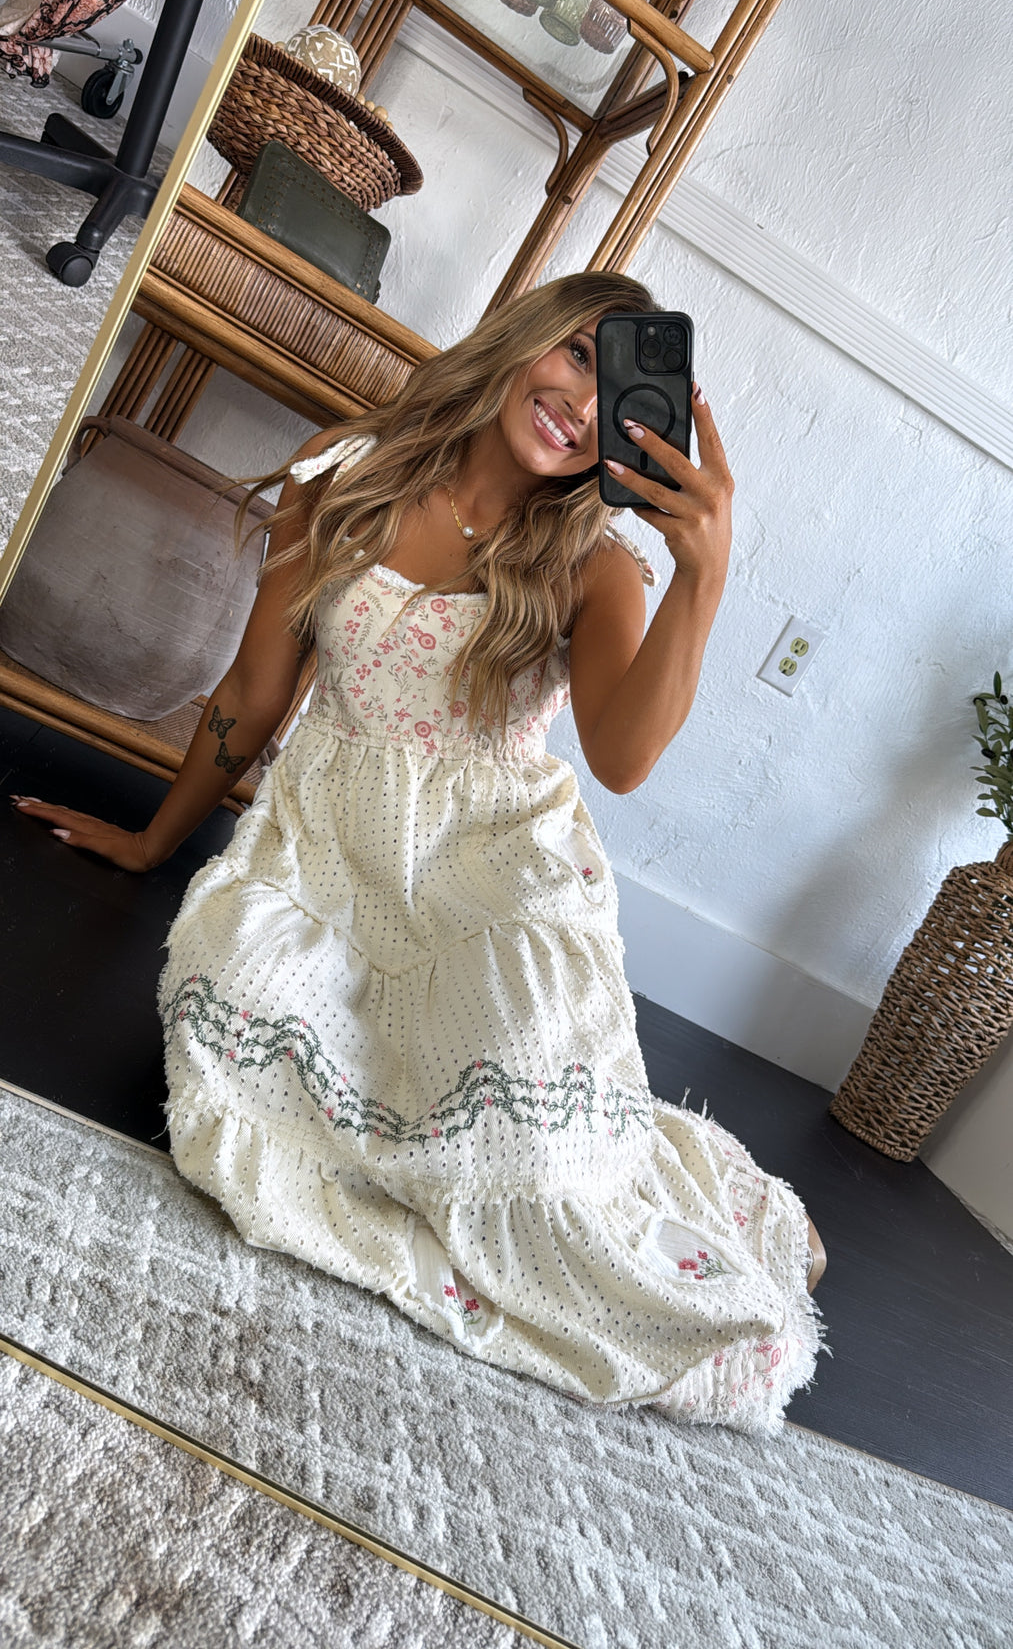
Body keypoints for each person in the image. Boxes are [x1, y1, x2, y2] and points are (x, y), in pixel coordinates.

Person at [13, 272, 825, 1433]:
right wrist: (154, 839)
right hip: (327, 862)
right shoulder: (342, 474)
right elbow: (253, 691)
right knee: (230, 1038)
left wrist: (703, 571)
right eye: (576, 355)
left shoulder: (596, 568)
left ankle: (688, 1191)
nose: (581, 402)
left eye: (615, 390)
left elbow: (623, 758)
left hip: (494, 879)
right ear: (524, 339)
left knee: (536, 1174)